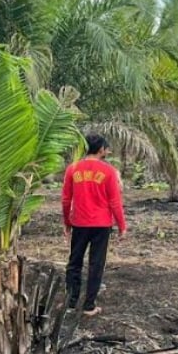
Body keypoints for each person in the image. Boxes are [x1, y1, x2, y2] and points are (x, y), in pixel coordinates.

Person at [61, 133, 128, 316]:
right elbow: (115, 201)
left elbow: (66, 199)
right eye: (106, 148)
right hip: (101, 224)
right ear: (101, 150)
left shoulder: (73, 169)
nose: (107, 150)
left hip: (79, 223)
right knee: (96, 264)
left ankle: (71, 302)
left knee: (74, 262)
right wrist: (122, 226)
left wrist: (67, 222)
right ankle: (89, 306)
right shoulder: (109, 171)